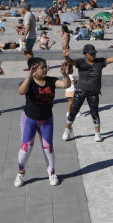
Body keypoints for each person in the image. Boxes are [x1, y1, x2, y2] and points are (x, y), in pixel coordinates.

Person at [14, 58, 72, 187]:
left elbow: (66, 85)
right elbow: (21, 92)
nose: (45, 69)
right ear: (33, 69)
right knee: (26, 149)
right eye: (42, 67)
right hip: (29, 119)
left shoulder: (50, 81)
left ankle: (51, 173)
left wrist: (65, 75)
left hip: (46, 120)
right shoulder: (29, 83)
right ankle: (20, 173)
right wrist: (29, 77)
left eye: (46, 67)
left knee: (48, 148)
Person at [62, 43, 113, 142]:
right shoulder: (80, 62)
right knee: (73, 111)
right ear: (85, 54)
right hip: (80, 90)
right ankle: (67, 129)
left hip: (94, 91)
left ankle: (97, 133)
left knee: (94, 112)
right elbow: (70, 61)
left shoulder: (100, 62)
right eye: (91, 54)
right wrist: (66, 56)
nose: (93, 55)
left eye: (94, 53)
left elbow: (112, 59)